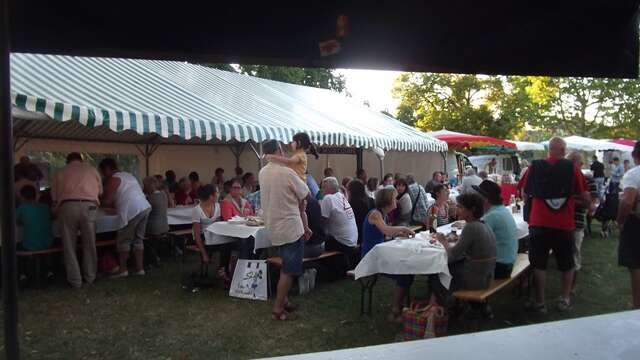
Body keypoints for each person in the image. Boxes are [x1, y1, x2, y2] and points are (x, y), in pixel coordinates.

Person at [518, 137, 589, 313]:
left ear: (548, 150)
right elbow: (586, 197)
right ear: (564, 151)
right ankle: (564, 299)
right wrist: (576, 201)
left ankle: (540, 302)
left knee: (539, 263)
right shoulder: (572, 168)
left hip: (539, 222)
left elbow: (524, 193)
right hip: (563, 224)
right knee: (567, 263)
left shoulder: (534, 167)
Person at [259, 139, 311, 321]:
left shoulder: (262, 172)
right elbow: (306, 193)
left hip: (273, 226)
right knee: (288, 270)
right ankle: (278, 309)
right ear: (279, 150)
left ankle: (285, 301)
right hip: (290, 227)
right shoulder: (287, 173)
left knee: (284, 265)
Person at [361, 187, 415, 322]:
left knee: (407, 270)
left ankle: (399, 307)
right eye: (394, 198)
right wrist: (402, 229)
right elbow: (386, 231)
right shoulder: (375, 214)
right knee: (404, 273)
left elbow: (386, 233)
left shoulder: (381, 214)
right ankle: (395, 310)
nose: (396, 201)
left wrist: (399, 233)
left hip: (379, 254)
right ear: (388, 201)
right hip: (371, 258)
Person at [52, 152, 102, 288]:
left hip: (68, 206)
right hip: (90, 206)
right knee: (90, 244)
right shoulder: (92, 170)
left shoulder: (60, 172)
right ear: (81, 160)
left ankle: (75, 281)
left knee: (69, 246)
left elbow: (54, 197)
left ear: (67, 161)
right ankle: (90, 277)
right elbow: (100, 192)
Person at [435, 193, 497, 302]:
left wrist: (443, 241)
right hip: (487, 275)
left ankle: (445, 306)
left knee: (438, 271)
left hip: (477, 279)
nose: (457, 209)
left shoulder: (471, 227)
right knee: (451, 266)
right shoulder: (484, 224)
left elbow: (451, 256)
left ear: (472, 209)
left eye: (461, 207)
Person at [99, 158, 152, 278]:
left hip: (132, 210)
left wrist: (97, 200)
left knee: (123, 241)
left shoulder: (114, 179)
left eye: (102, 172)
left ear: (107, 169)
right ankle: (139, 269)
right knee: (138, 240)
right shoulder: (129, 175)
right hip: (144, 207)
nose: (102, 175)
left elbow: (107, 201)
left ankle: (122, 270)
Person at [473, 180, 518, 279]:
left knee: (455, 266)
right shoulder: (501, 210)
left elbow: (475, 243)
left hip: (500, 266)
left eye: (478, 196)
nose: (475, 199)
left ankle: (443, 293)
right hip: (508, 262)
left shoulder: (492, 216)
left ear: (486, 199)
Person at [191, 184, 233, 285]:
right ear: (211, 196)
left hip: (215, 236)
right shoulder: (197, 210)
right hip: (203, 238)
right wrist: (204, 253)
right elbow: (196, 234)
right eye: (217, 193)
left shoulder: (218, 206)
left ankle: (224, 270)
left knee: (230, 244)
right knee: (226, 246)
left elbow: (221, 225)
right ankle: (223, 271)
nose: (219, 195)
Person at [566, 152, 595, 293]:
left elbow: (589, 204)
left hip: (576, 223)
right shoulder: (562, 178)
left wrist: (568, 201)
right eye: (568, 162)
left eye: (573, 162)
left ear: (581, 165)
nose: (570, 166)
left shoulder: (587, 180)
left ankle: (571, 287)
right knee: (564, 255)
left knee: (574, 254)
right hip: (560, 223)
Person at [617, 141, 640, 309]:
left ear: (634, 155)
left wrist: (620, 221)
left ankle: (637, 305)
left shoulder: (634, 174)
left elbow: (627, 202)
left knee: (636, 264)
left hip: (636, 223)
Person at [320, 177, 358, 266]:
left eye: (323, 187)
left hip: (343, 243)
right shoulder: (341, 196)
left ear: (329, 188)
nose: (321, 190)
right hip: (353, 240)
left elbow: (321, 223)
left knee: (315, 243)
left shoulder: (328, 198)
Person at [16, 185, 54, 251]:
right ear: (35, 195)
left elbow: (16, 222)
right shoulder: (46, 207)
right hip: (48, 243)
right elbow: (51, 218)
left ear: (22, 197)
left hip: (29, 245)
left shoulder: (21, 207)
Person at [347, 179, 375, 245]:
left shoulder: (352, 204)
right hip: (372, 232)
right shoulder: (371, 200)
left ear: (351, 191)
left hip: (359, 235)